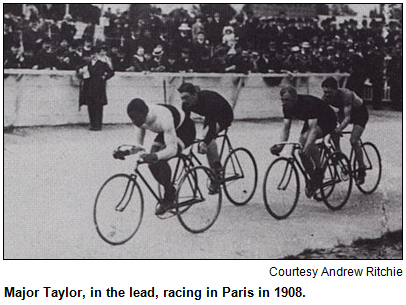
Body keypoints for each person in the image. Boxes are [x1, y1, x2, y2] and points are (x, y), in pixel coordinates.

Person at [117, 98, 196, 215]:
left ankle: (168, 196)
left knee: (159, 160)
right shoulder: (139, 119)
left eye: (136, 118)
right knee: (151, 163)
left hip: (185, 130)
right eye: (131, 118)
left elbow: (172, 149)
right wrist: (125, 152)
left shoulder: (163, 117)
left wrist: (156, 155)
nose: (133, 121)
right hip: (165, 131)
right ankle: (171, 189)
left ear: (145, 113)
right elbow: (138, 145)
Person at [272, 85, 337, 196]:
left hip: (327, 119)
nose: (284, 103)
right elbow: (286, 128)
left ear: (295, 98)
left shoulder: (307, 104)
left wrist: (308, 146)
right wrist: (280, 147)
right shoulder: (286, 106)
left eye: (287, 100)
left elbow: (313, 130)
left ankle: (319, 170)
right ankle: (313, 180)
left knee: (308, 143)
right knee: (301, 152)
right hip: (312, 120)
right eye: (282, 100)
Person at [178, 82, 234, 193]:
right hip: (210, 116)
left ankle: (216, 170)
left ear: (194, 94)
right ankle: (214, 169)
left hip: (224, 115)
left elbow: (212, 126)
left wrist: (204, 142)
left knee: (207, 137)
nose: (184, 101)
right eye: (182, 98)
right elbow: (186, 123)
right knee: (205, 137)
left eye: (186, 97)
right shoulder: (185, 105)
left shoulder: (208, 100)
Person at [321, 77, 369, 185]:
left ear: (336, 90)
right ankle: (338, 153)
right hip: (344, 112)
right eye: (325, 92)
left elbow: (348, 117)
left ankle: (362, 168)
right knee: (332, 130)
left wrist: (340, 129)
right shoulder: (325, 97)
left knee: (353, 140)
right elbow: (321, 112)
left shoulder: (346, 94)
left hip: (359, 113)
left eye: (329, 92)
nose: (327, 95)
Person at [78, 47, 115, 131]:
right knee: (90, 106)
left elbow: (111, 72)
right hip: (89, 87)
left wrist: (104, 77)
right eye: (92, 54)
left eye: (95, 54)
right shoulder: (87, 64)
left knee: (98, 106)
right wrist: (80, 70)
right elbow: (78, 67)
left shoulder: (102, 64)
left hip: (99, 87)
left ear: (98, 55)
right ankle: (92, 123)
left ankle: (98, 125)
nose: (94, 56)